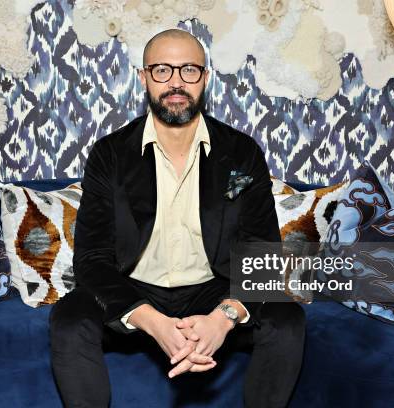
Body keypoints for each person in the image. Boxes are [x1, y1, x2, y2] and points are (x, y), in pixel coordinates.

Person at [49, 28, 305, 408]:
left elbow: (262, 255)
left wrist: (223, 318)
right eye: (162, 70)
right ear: (143, 78)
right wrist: (152, 321)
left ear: (205, 78)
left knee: (287, 318)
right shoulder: (109, 155)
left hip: (213, 287)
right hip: (134, 290)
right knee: (69, 318)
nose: (176, 83)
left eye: (188, 70)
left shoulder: (241, 152)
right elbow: (91, 260)